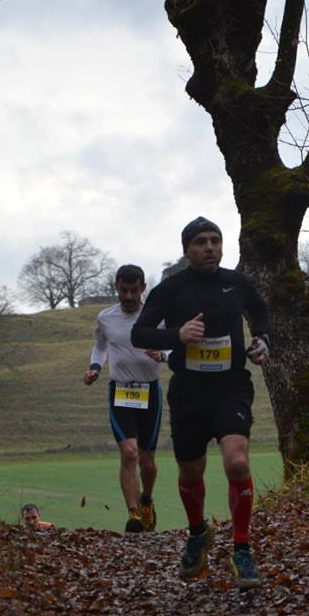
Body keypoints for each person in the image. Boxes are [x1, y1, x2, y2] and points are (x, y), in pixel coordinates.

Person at [131, 217, 270, 587]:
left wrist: (262, 340)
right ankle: (197, 534)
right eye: (201, 242)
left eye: (215, 240)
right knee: (191, 471)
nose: (210, 247)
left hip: (231, 386)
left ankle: (242, 549)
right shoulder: (170, 289)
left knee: (237, 462)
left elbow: (260, 312)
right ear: (186, 250)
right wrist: (177, 334)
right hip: (189, 390)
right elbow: (139, 333)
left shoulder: (237, 282)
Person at [84, 264, 166, 533]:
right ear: (116, 288)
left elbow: (172, 345)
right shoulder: (106, 318)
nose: (129, 296)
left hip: (149, 392)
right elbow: (100, 347)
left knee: (147, 461)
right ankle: (133, 514)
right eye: (123, 290)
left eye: (134, 290)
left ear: (143, 288)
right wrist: (95, 368)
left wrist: (163, 354)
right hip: (121, 390)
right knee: (129, 452)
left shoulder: (156, 316)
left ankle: (146, 500)